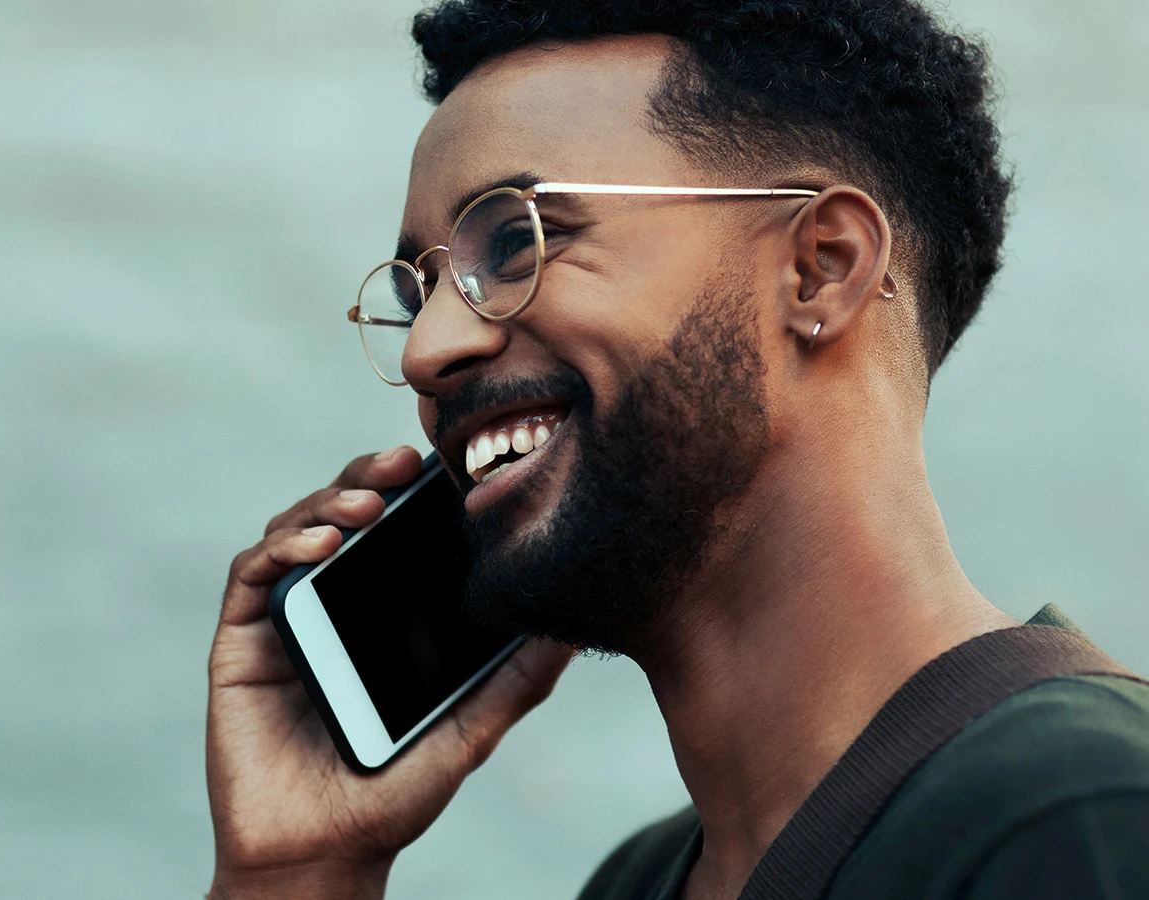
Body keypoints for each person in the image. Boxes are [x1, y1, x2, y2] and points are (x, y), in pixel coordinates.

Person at [203, 2, 1149, 898]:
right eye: (419, 294)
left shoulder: (1078, 814)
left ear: (820, 267)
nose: (425, 351)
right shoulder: (638, 882)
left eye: (520, 243)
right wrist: (296, 873)